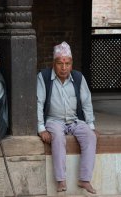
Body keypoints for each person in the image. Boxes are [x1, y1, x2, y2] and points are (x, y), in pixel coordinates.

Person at [36, 41, 97, 194]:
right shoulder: (43, 77)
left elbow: (86, 101)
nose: (64, 67)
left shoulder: (78, 77)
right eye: (60, 63)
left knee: (90, 137)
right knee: (57, 136)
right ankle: (61, 179)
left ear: (71, 64)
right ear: (53, 64)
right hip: (53, 120)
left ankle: (85, 179)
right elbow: (38, 102)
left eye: (67, 63)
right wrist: (41, 128)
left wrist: (90, 125)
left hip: (74, 120)